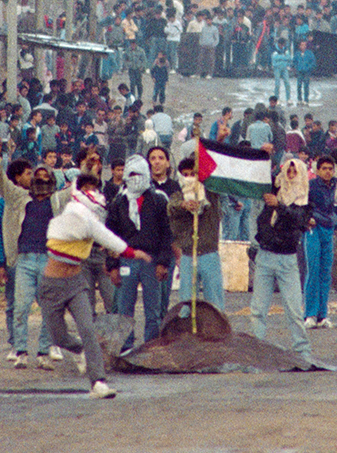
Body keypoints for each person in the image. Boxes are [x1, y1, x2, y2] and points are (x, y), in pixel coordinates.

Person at [40, 172, 153, 399]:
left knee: (88, 328)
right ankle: (79, 349)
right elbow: (106, 237)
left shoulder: (89, 222)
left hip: (76, 283)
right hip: (51, 286)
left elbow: (109, 238)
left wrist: (131, 252)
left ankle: (98, 381)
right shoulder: (71, 215)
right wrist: (131, 251)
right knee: (59, 337)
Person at [0, 157, 70, 367]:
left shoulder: (57, 200)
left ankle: (44, 352)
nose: (42, 181)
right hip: (24, 260)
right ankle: (20, 351)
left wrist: (89, 167)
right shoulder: (20, 197)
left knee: (49, 309)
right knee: (21, 307)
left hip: (49, 259)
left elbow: (77, 189)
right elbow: (1, 183)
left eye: (46, 177)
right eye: (38, 177)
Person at [106, 155, 173, 350]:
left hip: (151, 261)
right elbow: (111, 236)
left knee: (153, 309)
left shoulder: (159, 200)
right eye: (132, 174)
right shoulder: (119, 202)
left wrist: (163, 262)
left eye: (139, 174)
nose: (135, 178)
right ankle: (126, 348)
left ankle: (151, 348)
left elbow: (166, 234)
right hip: (127, 261)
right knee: (125, 308)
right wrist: (112, 266)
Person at [250, 157, 312, 358]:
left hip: (287, 259)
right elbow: (259, 175)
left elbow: (299, 220)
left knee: (294, 309)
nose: (291, 176)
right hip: (265, 255)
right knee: (258, 308)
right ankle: (257, 349)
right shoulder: (274, 192)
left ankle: (302, 351)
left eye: (295, 172)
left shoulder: (304, 200)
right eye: (288, 171)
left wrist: (281, 206)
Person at [168, 155, 224, 314]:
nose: (189, 178)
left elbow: (214, 168)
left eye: (193, 174)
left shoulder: (210, 192)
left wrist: (218, 141)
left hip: (209, 254)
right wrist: (183, 205)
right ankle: (187, 336)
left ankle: (217, 336)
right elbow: (171, 207)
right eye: (185, 175)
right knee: (185, 305)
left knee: (215, 305)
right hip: (187, 256)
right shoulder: (178, 195)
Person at [302, 156, 337, 329]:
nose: (327, 171)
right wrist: (307, 218)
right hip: (313, 229)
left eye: (330, 168)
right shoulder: (311, 186)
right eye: (324, 168)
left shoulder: (334, 185)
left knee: (326, 272)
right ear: (317, 170)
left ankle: (322, 315)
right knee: (313, 270)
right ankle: (310, 314)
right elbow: (301, 205)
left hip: (328, 228)